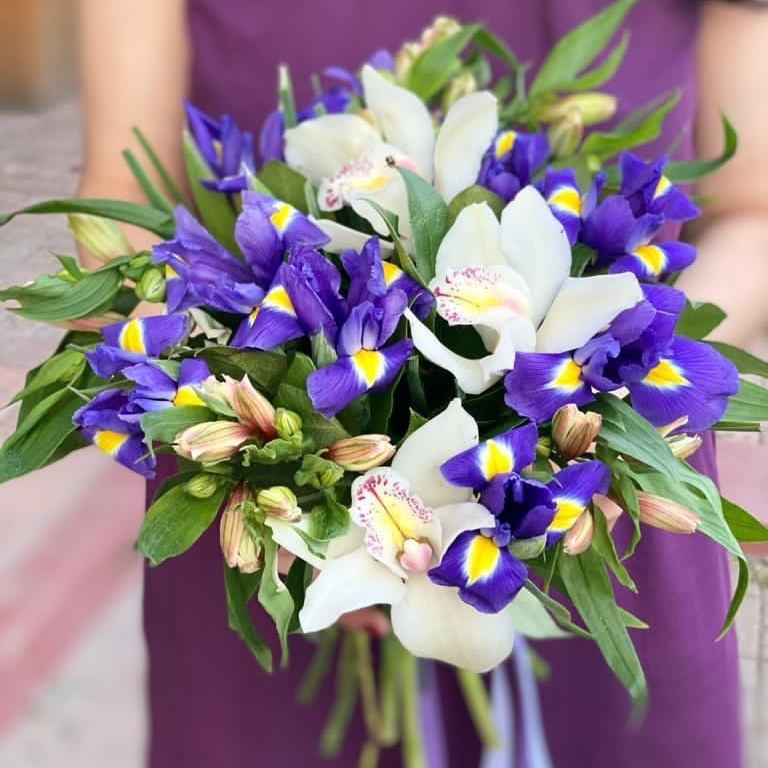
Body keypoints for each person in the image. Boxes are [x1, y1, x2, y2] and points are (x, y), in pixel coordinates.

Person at [75, 1, 768, 766]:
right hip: (269, 525)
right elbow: (121, 208)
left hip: (593, 510)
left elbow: (753, 211)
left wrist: (597, 403)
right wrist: (307, 503)